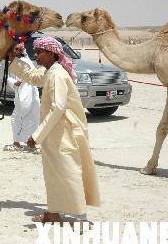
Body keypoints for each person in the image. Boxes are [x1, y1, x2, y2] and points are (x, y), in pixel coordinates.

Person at [8, 36, 100, 224]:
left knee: (68, 171)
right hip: (55, 130)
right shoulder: (50, 70)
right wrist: (13, 59)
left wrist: (37, 135)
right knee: (53, 172)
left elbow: (58, 107)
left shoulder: (58, 74)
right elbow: (33, 77)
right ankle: (53, 212)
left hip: (66, 131)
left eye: (39, 52)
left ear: (51, 53)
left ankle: (81, 218)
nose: (36, 55)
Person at [4, 43, 41, 152]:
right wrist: (15, 82)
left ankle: (32, 143)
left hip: (32, 94)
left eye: (20, 49)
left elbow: (34, 74)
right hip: (21, 95)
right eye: (15, 49)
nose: (18, 51)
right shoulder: (12, 63)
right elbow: (8, 77)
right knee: (16, 118)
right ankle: (17, 143)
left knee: (33, 119)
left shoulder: (27, 60)